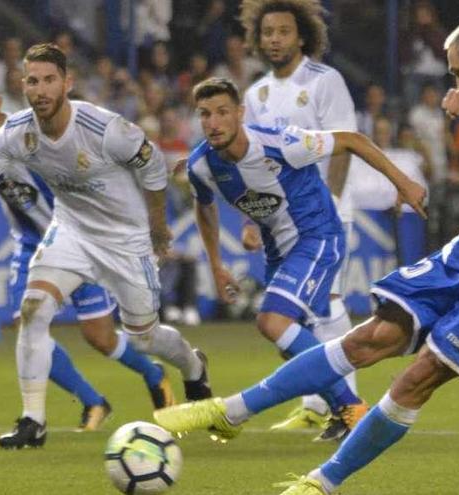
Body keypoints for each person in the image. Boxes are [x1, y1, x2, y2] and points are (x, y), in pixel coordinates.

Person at [153, 15, 459, 495]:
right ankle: (229, 411)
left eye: (456, 71)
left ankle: (321, 483)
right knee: (369, 338)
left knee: (418, 376)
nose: (455, 80)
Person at [0, 45, 211, 449]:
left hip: (123, 238)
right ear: (21, 84)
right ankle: (33, 421)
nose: (39, 90)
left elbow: (151, 165)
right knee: (33, 310)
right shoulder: (16, 133)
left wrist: (158, 227)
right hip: (70, 231)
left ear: (67, 83)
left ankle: (192, 365)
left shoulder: (103, 128)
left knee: (143, 336)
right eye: (32, 81)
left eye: (48, 80)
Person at [176, 77, 425, 445]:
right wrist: (216, 263)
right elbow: (205, 207)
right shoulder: (201, 164)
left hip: (319, 236)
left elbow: (352, 140)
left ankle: (351, 407)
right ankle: (346, 410)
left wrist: (403, 182)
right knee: (289, 341)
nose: (213, 123)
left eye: (223, 112)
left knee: (272, 321)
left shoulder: (281, 143)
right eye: (205, 115)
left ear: (240, 114)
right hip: (278, 250)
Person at [239, 0, 361, 440]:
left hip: (323, 217)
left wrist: (325, 205)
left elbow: (345, 145)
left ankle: (349, 409)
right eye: (267, 32)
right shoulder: (255, 95)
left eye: (283, 31)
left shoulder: (326, 82)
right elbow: (252, 164)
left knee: (325, 303)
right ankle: (316, 405)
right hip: (281, 223)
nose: (274, 39)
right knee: (299, 315)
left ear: (302, 36)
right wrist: (254, 220)